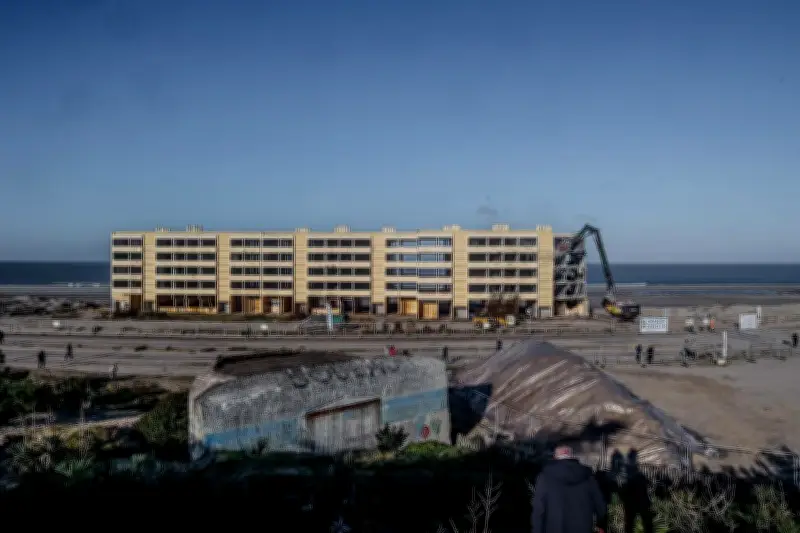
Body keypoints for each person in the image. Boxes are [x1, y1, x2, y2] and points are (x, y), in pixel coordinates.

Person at [531, 444, 607, 533]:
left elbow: (539, 509)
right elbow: (600, 504)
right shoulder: (588, 476)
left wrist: (537, 530)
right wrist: (601, 524)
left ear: (555, 457)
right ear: (572, 456)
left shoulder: (545, 477)